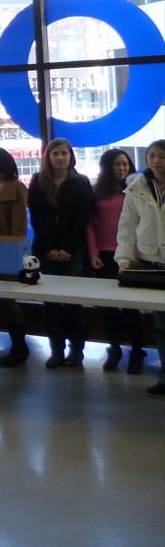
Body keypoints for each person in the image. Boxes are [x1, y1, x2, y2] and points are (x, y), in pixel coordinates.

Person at [28, 138, 95, 369]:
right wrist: (48, 248)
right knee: (51, 303)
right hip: (45, 250)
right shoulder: (37, 182)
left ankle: (76, 352)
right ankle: (57, 350)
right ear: (48, 157)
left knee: (73, 302)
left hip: (73, 250)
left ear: (71, 156)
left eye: (64, 153)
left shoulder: (81, 182)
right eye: (55, 153)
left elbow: (83, 219)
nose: (60, 157)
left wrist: (67, 248)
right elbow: (36, 219)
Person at [87, 148, 146, 373]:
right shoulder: (96, 192)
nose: (121, 169)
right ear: (107, 167)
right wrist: (93, 253)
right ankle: (114, 349)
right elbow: (89, 225)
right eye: (116, 164)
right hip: (104, 255)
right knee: (108, 309)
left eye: (125, 164)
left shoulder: (138, 191)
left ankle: (137, 351)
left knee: (132, 308)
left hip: (131, 257)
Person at [115, 139, 165, 397]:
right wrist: (123, 257)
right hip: (150, 262)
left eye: (162, 156)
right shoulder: (137, 188)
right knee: (161, 322)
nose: (156, 161)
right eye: (152, 156)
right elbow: (126, 226)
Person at [0, 147, 31, 368]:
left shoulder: (17, 187)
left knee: (8, 300)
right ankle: (18, 345)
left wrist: (15, 251)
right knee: (3, 299)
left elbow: (19, 225)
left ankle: (20, 345)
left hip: (6, 248)